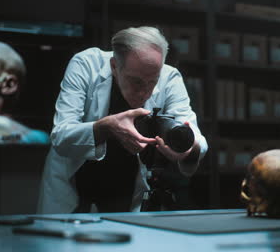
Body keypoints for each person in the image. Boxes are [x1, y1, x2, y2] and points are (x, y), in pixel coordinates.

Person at [38, 26, 208, 214]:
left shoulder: (169, 77)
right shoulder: (86, 64)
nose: (144, 92)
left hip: (124, 190)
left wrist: (189, 149)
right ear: (114, 66)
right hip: (73, 184)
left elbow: (193, 133)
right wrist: (107, 127)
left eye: (152, 82)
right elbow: (61, 135)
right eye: (136, 82)